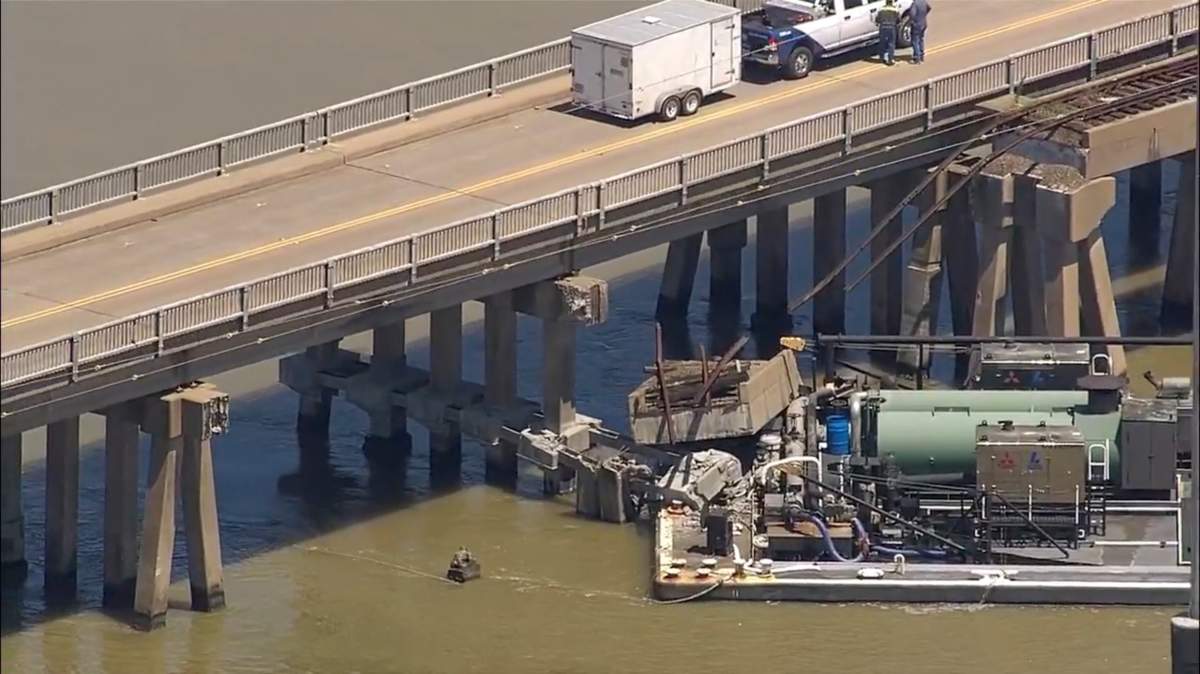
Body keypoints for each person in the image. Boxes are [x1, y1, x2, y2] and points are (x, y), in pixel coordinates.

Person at [875, 0, 901, 67]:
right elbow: (898, 20)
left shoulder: (881, 9)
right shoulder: (895, 9)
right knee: (891, 43)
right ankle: (890, 59)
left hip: (883, 27)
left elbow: (877, 19)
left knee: (883, 42)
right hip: (891, 27)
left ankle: (882, 57)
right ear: (891, 2)